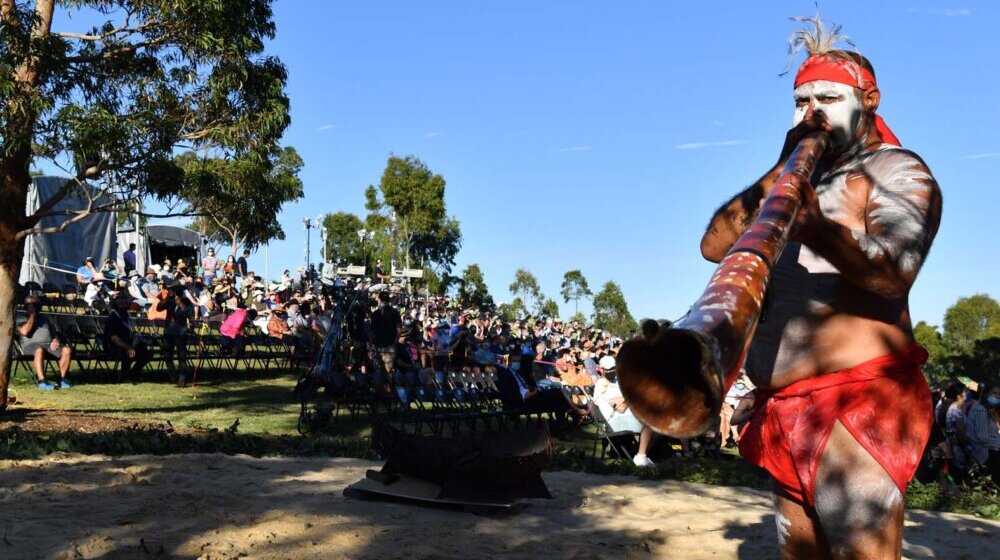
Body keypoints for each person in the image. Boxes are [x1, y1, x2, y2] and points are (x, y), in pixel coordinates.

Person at [698, 21, 942, 558]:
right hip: (785, 408)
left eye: (829, 98)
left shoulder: (895, 172)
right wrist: (780, 171)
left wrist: (819, 227)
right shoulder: (794, 181)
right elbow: (714, 246)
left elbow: (895, 270)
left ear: (870, 101)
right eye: (800, 100)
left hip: (858, 406)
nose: (811, 113)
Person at [16, 296, 73, 390]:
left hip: (47, 345)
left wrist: (56, 340)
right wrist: (32, 315)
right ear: (26, 306)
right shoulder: (20, 317)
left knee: (67, 350)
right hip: (30, 346)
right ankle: (42, 381)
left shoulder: (45, 318)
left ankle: (62, 379)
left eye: (37, 305)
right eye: (32, 305)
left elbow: (56, 334)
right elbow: (25, 332)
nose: (36, 307)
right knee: (39, 350)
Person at [104, 293, 150, 381]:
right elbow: (114, 339)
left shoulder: (126, 316)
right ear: (116, 305)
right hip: (113, 347)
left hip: (126, 344)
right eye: (122, 304)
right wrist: (128, 347)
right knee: (127, 352)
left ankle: (133, 374)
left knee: (145, 352)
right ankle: (124, 376)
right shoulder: (113, 318)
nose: (125, 306)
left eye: (126, 304)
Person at [156, 285, 192, 387]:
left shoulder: (186, 301)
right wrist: (167, 298)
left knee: (181, 356)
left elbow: (188, 313)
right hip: (168, 331)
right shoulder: (169, 301)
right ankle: (172, 375)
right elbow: (159, 308)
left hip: (180, 332)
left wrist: (180, 303)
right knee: (167, 355)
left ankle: (182, 378)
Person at [370, 292, 402, 375]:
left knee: (382, 372)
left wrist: (394, 344)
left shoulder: (376, 314)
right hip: (384, 345)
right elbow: (399, 330)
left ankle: (387, 387)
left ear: (379, 300)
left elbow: (371, 332)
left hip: (384, 345)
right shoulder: (394, 313)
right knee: (385, 371)